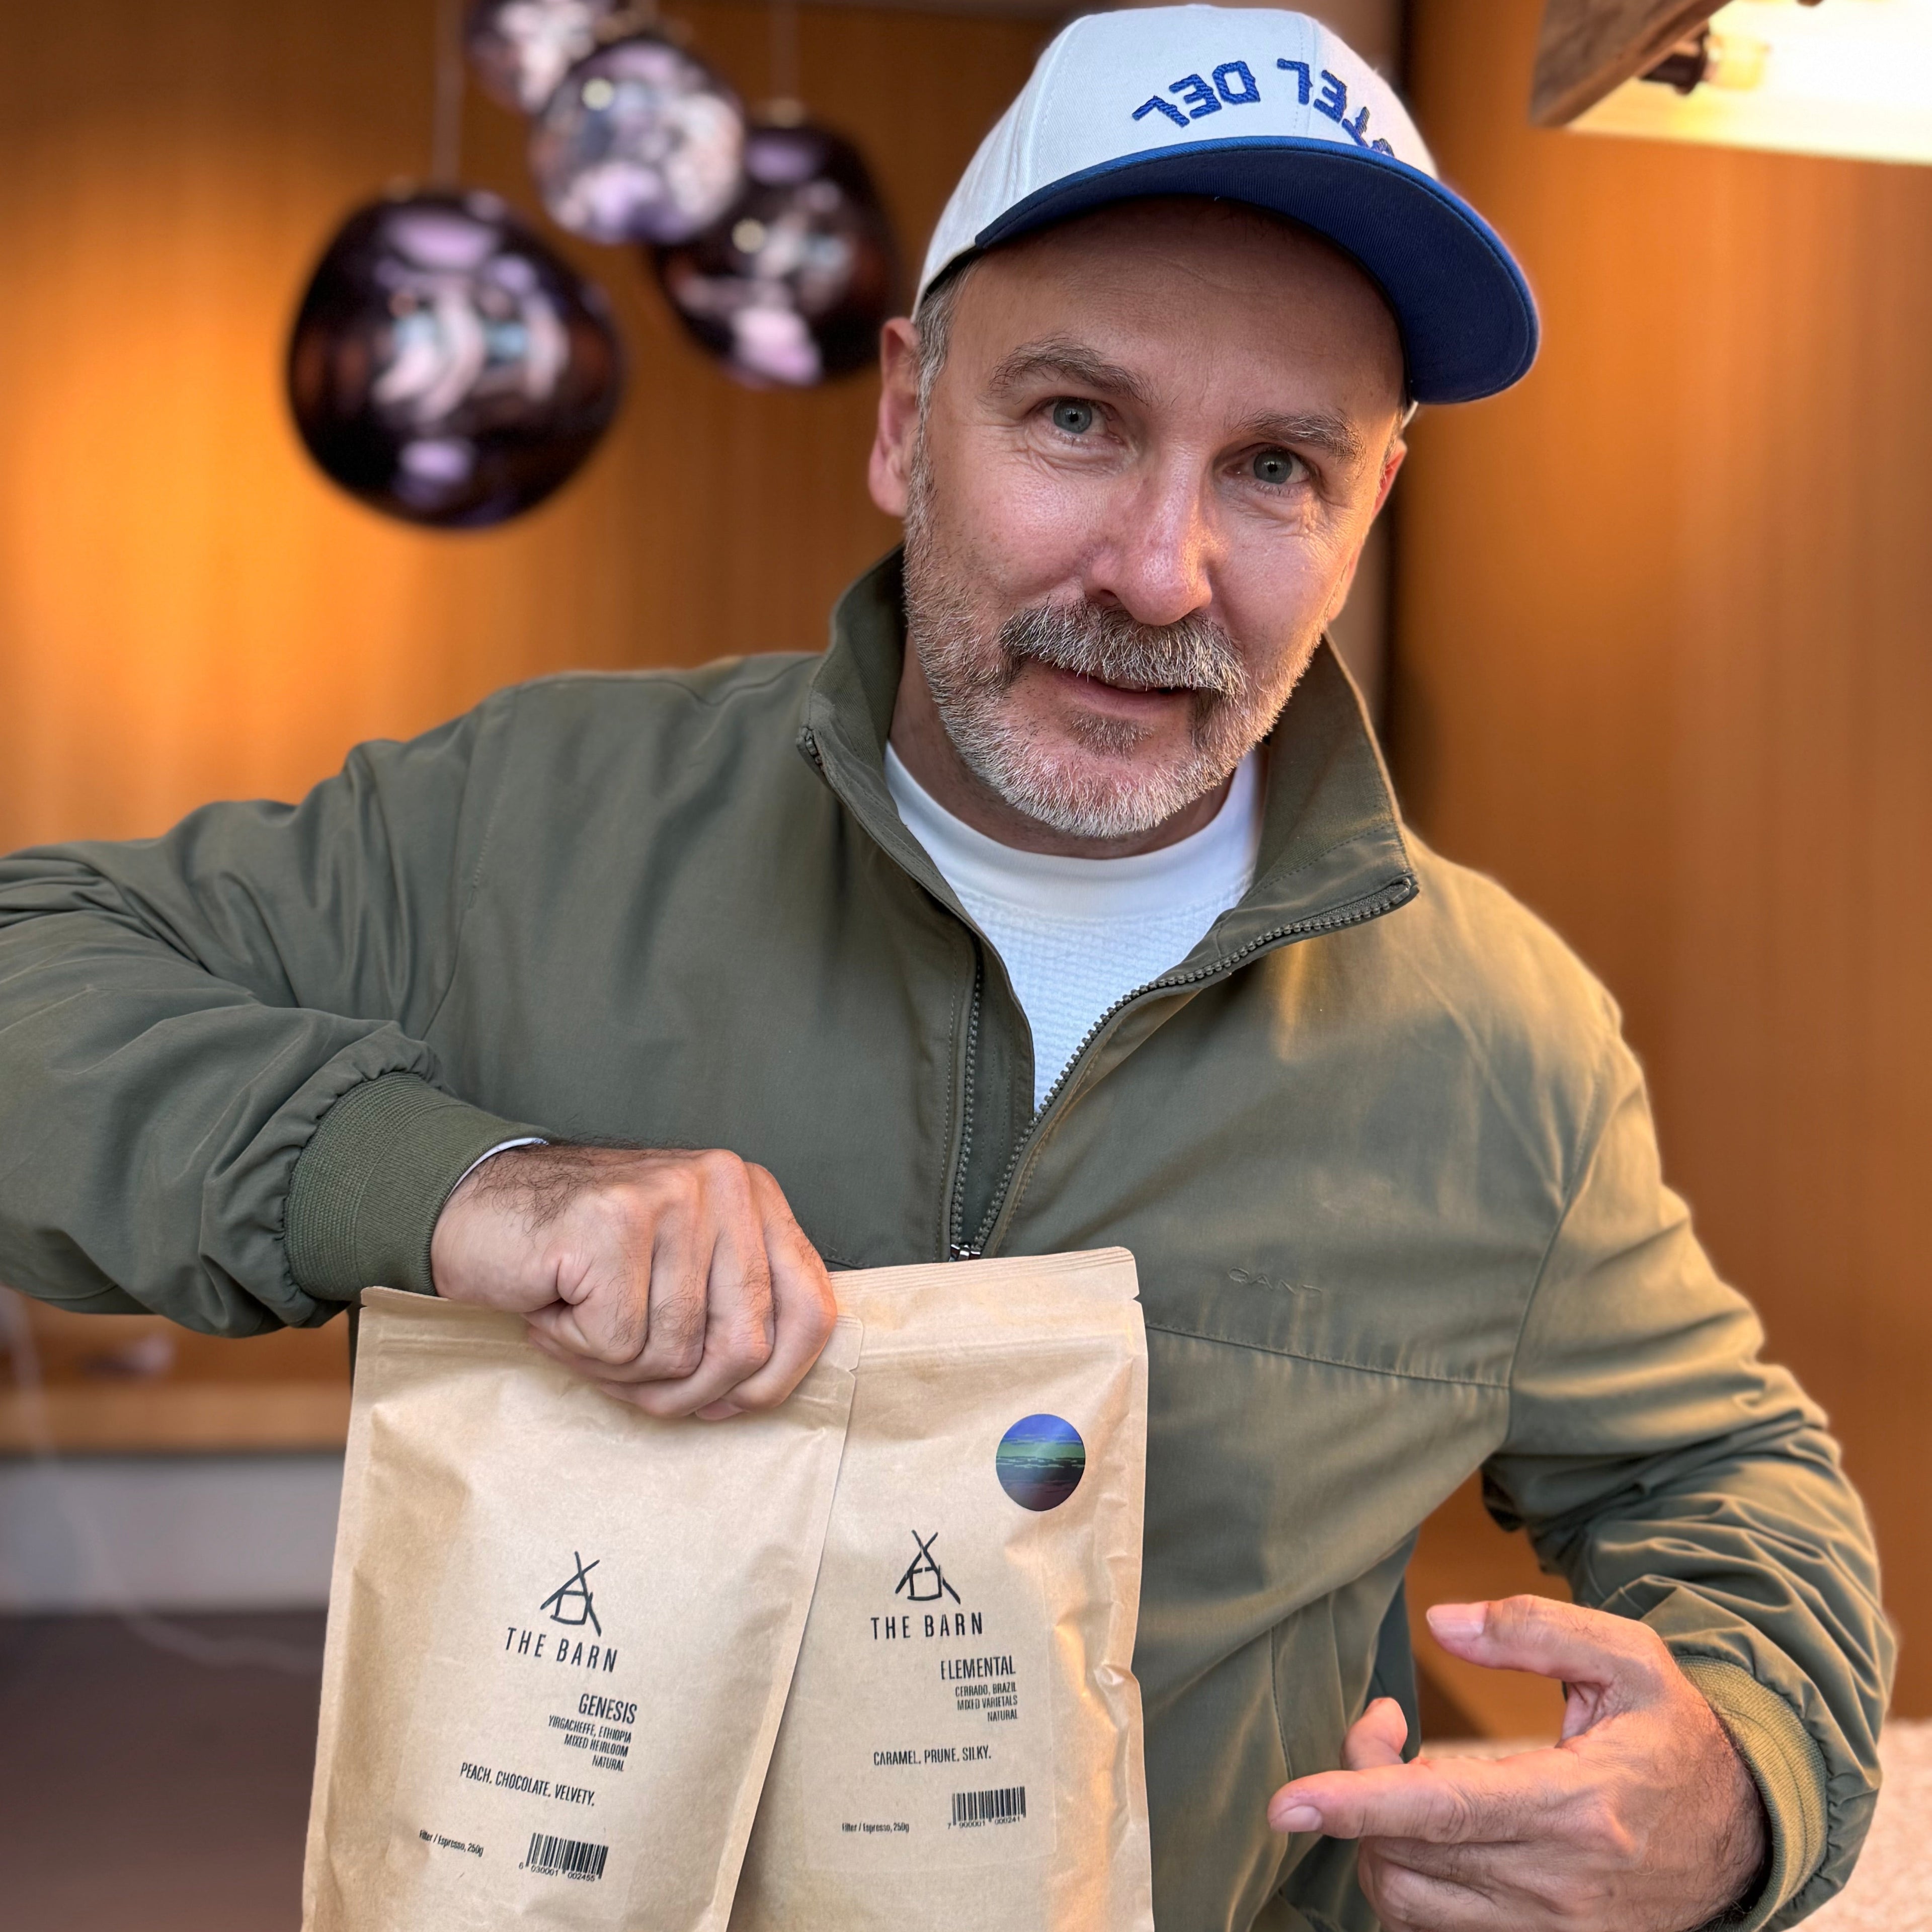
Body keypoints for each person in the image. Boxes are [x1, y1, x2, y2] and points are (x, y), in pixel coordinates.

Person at [0, 8, 1888, 1928]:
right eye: (1076, 420)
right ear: (907, 418)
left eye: (1275, 468)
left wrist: (1736, 1782)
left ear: (1368, 506)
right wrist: (454, 1181)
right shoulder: (525, 823)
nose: (1160, 572)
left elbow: (1730, 1474)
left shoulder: (1504, 1040)